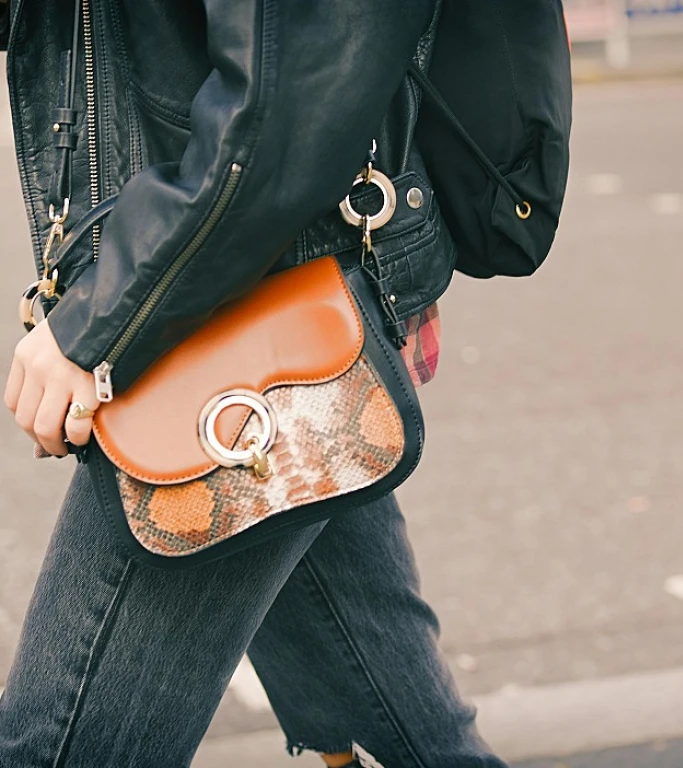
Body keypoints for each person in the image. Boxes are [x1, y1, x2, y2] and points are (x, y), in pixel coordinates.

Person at [0, 1, 511, 766]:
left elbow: (289, 97)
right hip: (239, 297)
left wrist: (99, 323)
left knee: (54, 750)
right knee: (420, 740)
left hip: (239, 306)